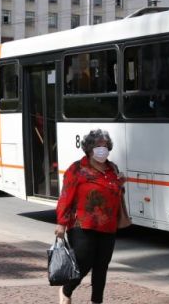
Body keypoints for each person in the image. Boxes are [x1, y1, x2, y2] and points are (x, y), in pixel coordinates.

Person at [54, 129, 125, 304]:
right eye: (98, 145)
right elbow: (66, 196)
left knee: (102, 266)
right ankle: (66, 289)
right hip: (82, 224)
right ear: (89, 149)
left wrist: (120, 184)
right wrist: (61, 223)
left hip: (108, 225)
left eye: (105, 145)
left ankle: (97, 301)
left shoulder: (112, 168)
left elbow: (116, 192)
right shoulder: (77, 169)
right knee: (83, 262)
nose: (102, 148)